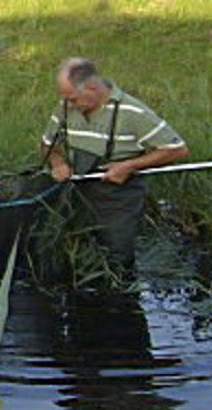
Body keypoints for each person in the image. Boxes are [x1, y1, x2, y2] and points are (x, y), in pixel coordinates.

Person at [40, 57, 189, 270]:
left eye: (73, 99)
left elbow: (178, 149)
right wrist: (57, 162)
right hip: (77, 195)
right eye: (65, 98)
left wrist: (129, 166)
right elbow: (47, 145)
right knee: (76, 256)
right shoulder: (65, 107)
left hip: (118, 200)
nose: (67, 104)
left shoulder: (133, 112)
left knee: (117, 262)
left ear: (92, 87)